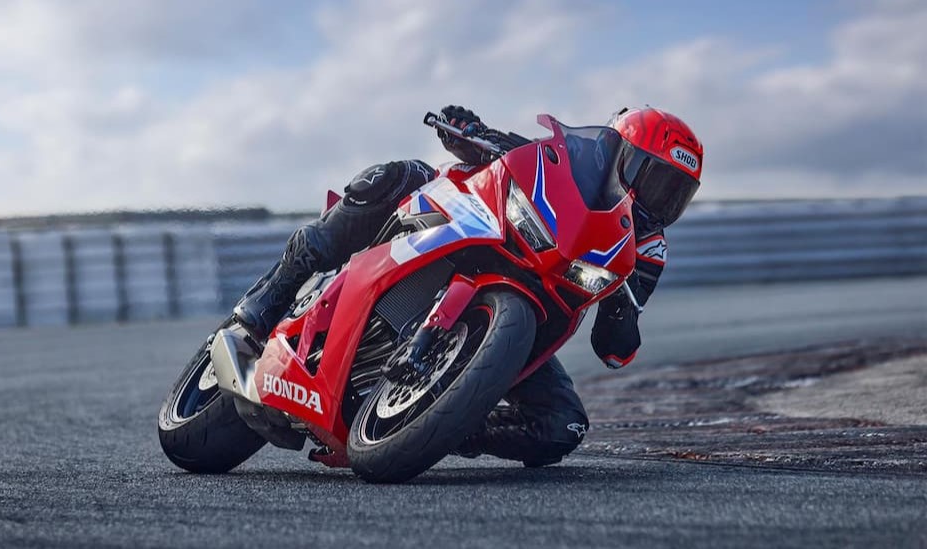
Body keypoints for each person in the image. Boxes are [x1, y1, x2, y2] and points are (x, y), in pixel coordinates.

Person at [234, 105, 704, 467]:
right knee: (399, 176)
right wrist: (469, 131)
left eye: (674, 194)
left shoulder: (647, 252)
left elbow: (614, 350)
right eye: (654, 179)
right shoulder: (566, 163)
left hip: (531, 313)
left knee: (565, 426)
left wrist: (621, 307)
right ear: (619, 155)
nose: (657, 202)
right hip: (470, 235)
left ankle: (441, 423)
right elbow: (501, 150)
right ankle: (273, 293)